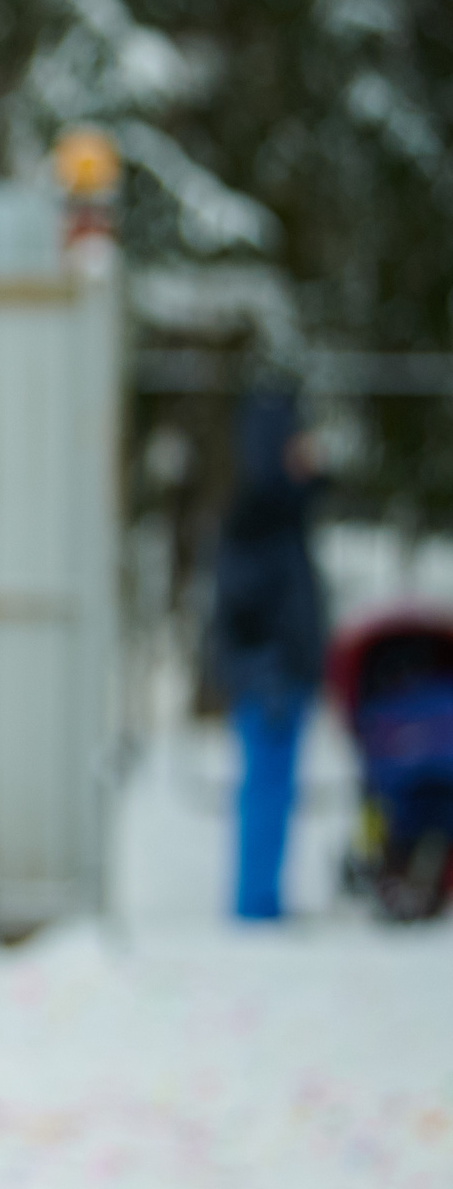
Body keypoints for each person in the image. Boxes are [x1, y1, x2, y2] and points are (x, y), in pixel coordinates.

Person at [208, 389, 328, 921]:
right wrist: (267, 668)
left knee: (277, 793)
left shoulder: (286, 511)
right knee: (265, 791)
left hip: (286, 676)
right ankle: (255, 906)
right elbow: (242, 608)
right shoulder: (257, 516)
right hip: (268, 681)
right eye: (294, 445)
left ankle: (265, 900)